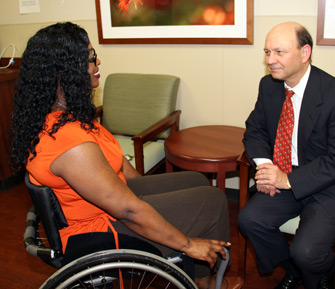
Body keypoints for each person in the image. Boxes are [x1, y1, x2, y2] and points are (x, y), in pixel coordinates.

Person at [9, 22, 243, 289]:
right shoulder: (69, 145)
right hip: (98, 229)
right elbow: (129, 210)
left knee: (198, 181)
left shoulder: (65, 118)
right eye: (90, 58)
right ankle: (205, 281)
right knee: (212, 199)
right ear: (67, 72)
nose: (98, 62)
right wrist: (188, 244)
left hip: (108, 204)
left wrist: (152, 199)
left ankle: (201, 276)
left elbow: (119, 164)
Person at [238, 22, 335, 289]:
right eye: (266, 52)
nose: (270, 61)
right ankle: (294, 270)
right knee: (249, 220)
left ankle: (322, 271)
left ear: (305, 52)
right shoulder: (269, 86)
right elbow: (255, 129)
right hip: (286, 174)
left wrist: (287, 180)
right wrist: (265, 168)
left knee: (307, 250)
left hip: (331, 184)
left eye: (279, 52)